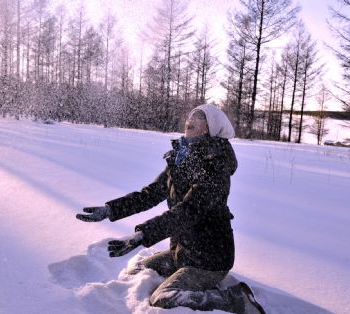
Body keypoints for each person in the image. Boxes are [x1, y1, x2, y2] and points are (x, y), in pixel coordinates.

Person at [76, 104, 265, 314]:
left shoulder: (216, 170)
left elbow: (187, 212)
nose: (189, 124)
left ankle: (235, 299)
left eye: (197, 121)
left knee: (163, 298)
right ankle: (188, 277)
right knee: (137, 268)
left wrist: (143, 234)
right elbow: (151, 194)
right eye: (189, 120)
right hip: (183, 252)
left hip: (209, 260)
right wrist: (110, 210)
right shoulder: (182, 159)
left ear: (210, 129)